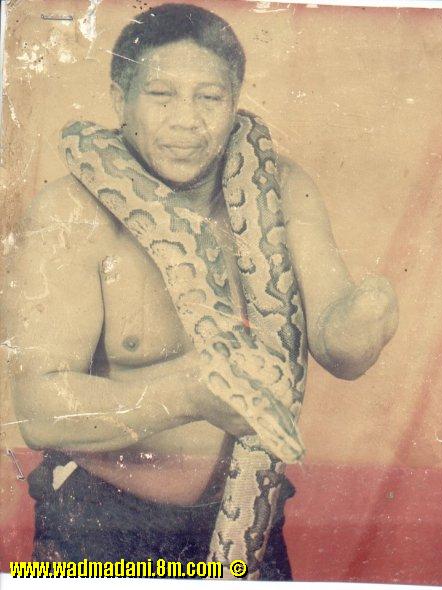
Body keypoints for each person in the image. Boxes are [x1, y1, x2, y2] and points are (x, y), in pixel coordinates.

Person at [3, 3, 398, 580]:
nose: (186, 121)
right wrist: (189, 395)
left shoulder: (282, 188)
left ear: (235, 103)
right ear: (120, 100)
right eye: (161, 96)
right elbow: (39, 412)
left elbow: (335, 340)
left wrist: (358, 325)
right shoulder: (70, 213)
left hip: (251, 522)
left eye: (209, 98)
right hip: (103, 525)